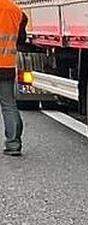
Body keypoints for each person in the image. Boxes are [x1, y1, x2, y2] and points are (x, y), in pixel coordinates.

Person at [1, 0, 28, 157]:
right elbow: (21, 39)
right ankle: (13, 144)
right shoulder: (15, 10)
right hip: (6, 65)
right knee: (8, 104)